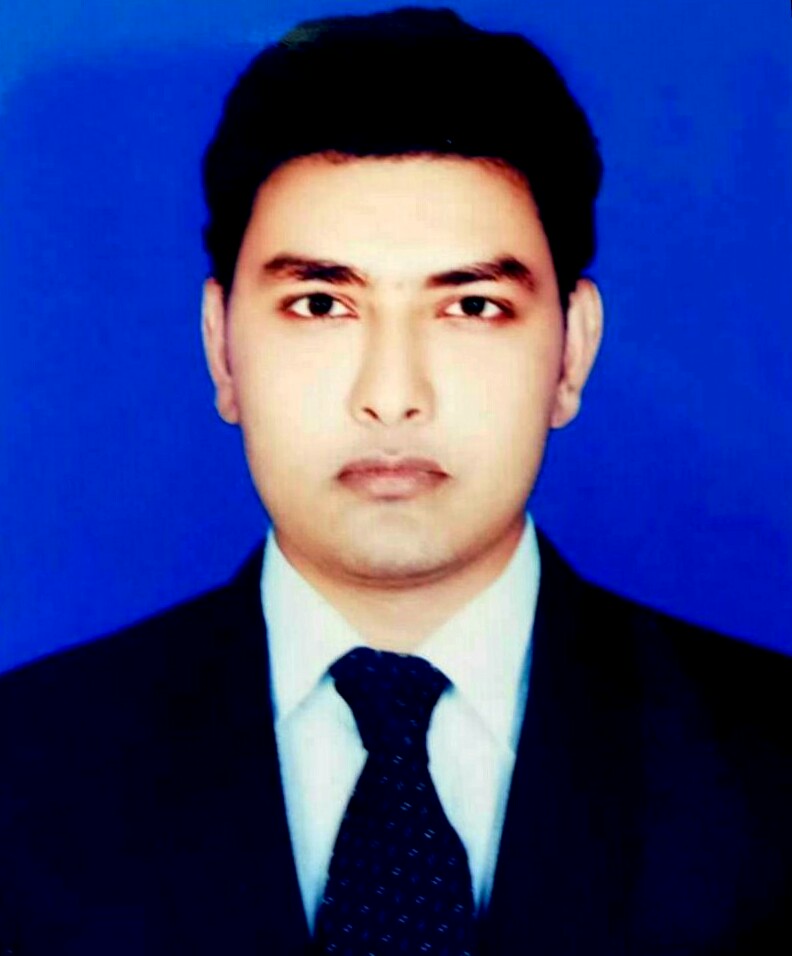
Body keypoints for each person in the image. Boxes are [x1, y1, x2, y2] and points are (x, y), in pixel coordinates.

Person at [0, 7, 790, 955]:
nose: (391, 397)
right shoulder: (24, 768)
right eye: (321, 304)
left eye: (472, 306)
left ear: (572, 352)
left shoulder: (770, 768)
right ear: (221, 349)